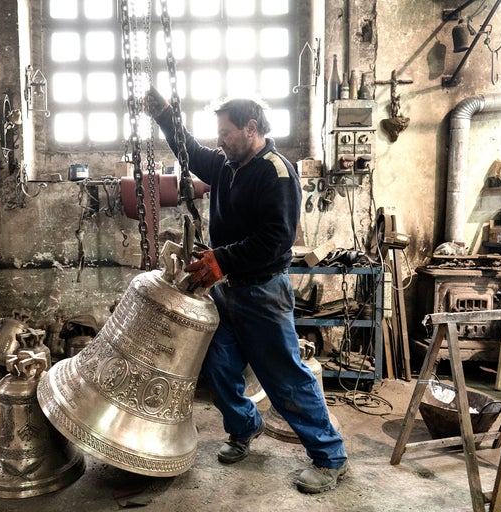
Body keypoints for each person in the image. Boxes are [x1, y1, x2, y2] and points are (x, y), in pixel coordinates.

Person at [145, 88, 349, 494]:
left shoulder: (275, 172)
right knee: (219, 365)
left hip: (262, 293)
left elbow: (275, 240)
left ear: (251, 129)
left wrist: (223, 260)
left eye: (225, 132)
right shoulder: (227, 164)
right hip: (228, 291)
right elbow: (191, 153)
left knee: (284, 377)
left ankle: (330, 457)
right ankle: (244, 427)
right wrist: (167, 117)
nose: (219, 140)